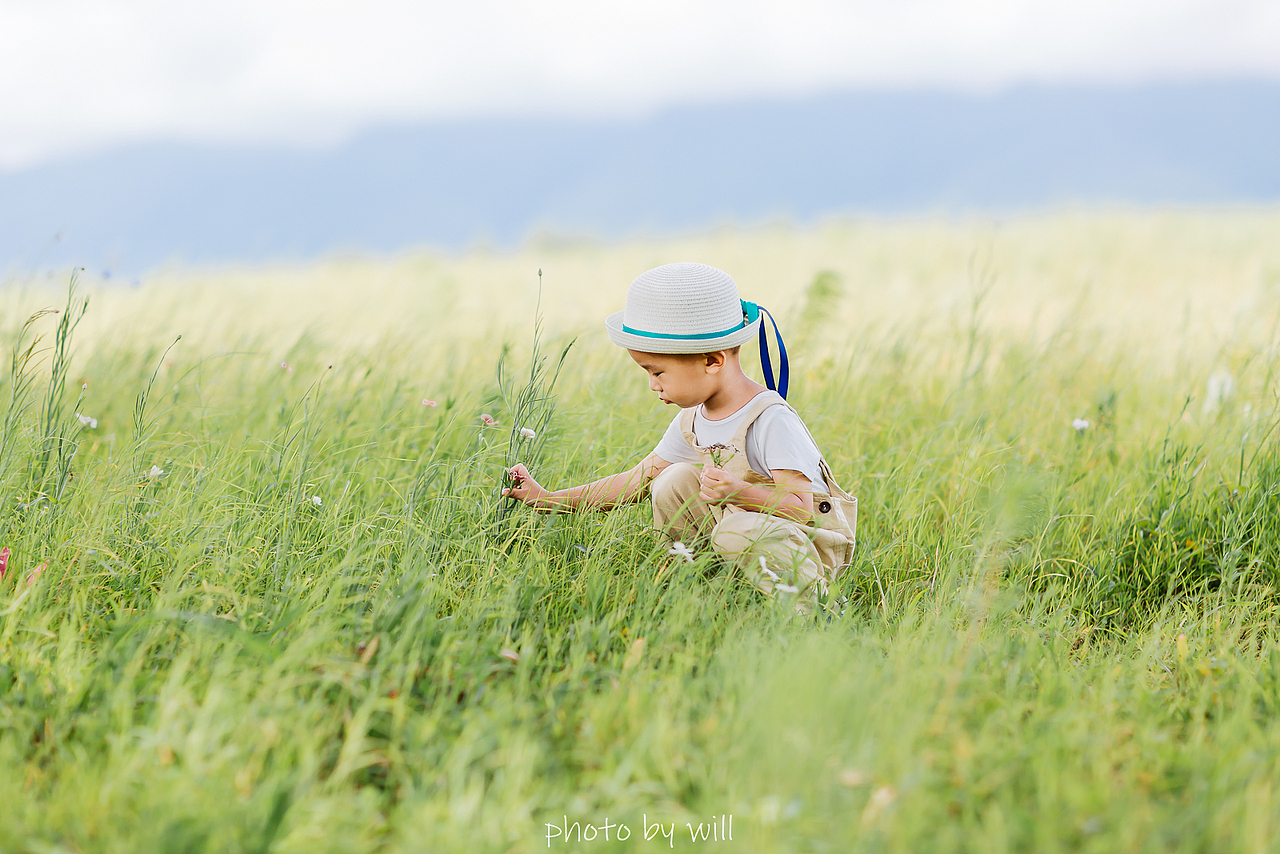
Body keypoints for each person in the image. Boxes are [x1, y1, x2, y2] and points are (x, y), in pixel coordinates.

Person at [503, 262, 856, 610]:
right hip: (741, 531)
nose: (653, 386)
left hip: (806, 548)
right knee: (672, 481)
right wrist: (546, 499)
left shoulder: (770, 420)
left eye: (657, 372)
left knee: (735, 531)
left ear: (713, 360)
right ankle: (709, 596)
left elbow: (800, 509)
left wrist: (738, 491)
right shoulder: (693, 417)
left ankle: (817, 609)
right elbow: (634, 482)